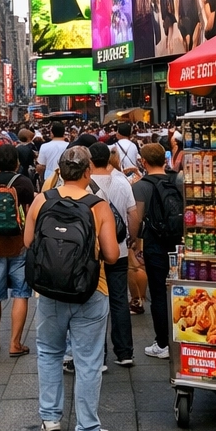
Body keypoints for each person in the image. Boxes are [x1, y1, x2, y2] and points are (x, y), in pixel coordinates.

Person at [25, 146, 118, 431]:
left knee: (49, 352)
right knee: (88, 361)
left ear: (61, 171)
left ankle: (50, 418)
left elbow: (28, 241)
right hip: (91, 291)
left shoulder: (42, 200)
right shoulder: (98, 206)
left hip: (49, 291)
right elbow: (112, 255)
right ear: (88, 172)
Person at [0, 144, 36, 357]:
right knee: (20, 294)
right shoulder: (24, 182)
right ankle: (15, 344)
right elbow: (30, 214)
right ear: (17, 162)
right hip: (19, 245)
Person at [132, 142, 184, 358]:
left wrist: (135, 242)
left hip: (155, 243)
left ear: (143, 162)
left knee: (159, 293)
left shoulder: (141, 186)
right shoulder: (177, 180)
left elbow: (136, 218)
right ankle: (181, 338)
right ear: (164, 159)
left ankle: (163, 343)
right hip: (179, 242)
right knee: (178, 290)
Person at [88, 141, 137, 368]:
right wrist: (132, 238)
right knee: (119, 299)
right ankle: (125, 352)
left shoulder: (84, 185)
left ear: (90, 161)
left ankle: (99, 355)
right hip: (119, 249)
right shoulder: (121, 181)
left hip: (94, 252)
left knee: (94, 301)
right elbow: (133, 214)